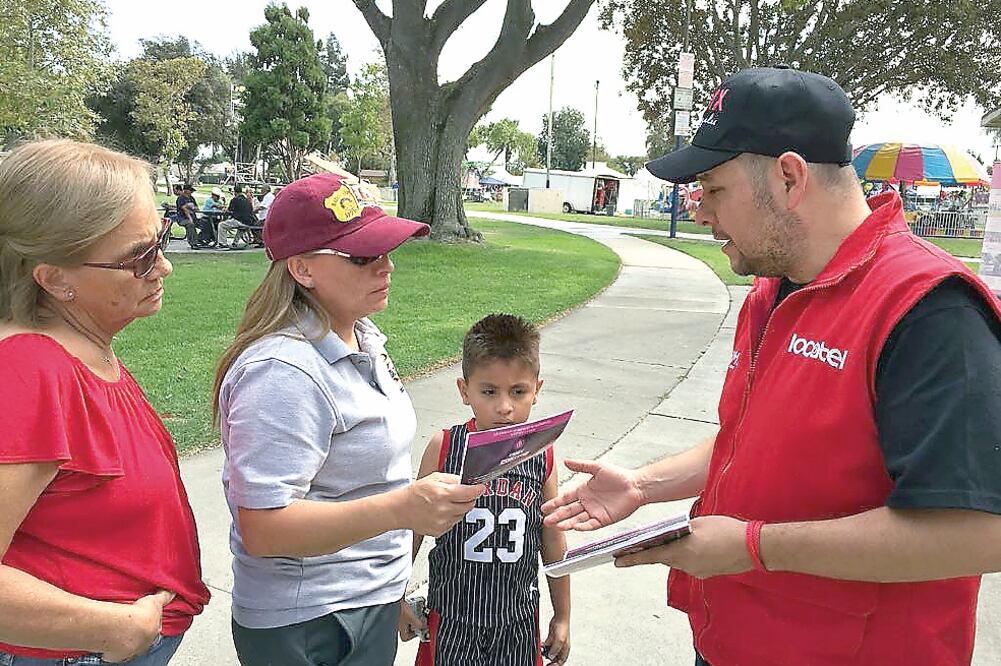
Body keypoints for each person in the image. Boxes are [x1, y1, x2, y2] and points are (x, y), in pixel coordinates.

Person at [543, 66, 1001, 666]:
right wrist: (645, 486)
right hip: (736, 639)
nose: (700, 212)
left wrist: (754, 548)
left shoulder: (927, 309)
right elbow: (760, 442)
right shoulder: (774, 290)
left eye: (713, 189)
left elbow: (978, 532)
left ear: (789, 176)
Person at [214, 172, 485, 666]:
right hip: (311, 618)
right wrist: (402, 510)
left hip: (367, 596)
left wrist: (391, 580)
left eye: (385, 249)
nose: (387, 266)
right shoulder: (283, 372)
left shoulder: (362, 336)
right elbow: (265, 528)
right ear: (301, 268)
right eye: (362, 257)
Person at [0, 139, 210, 665]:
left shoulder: (83, 352)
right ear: (54, 279)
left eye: (158, 240)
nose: (163, 268)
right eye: (138, 258)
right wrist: (113, 626)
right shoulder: (30, 372)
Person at [398, 314, 571, 666]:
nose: (504, 407)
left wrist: (562, 614)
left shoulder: (543, 453)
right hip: (452, 617)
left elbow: (552, 538)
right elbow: (412, 526)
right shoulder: (445, 447)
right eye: (489, 391)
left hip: (517, 620)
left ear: (537, 390)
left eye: (518, 391)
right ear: (465, 390)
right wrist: (394, 594)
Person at [218, 184, 258, 249]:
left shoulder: (235, 199)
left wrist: (225, 213)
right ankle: (235, 243)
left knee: (221, 225)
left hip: (239, 221)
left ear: (235, 192)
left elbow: (228, 211)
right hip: (249, 222)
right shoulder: (248, 201)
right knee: (241, 228)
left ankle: (223, 243)